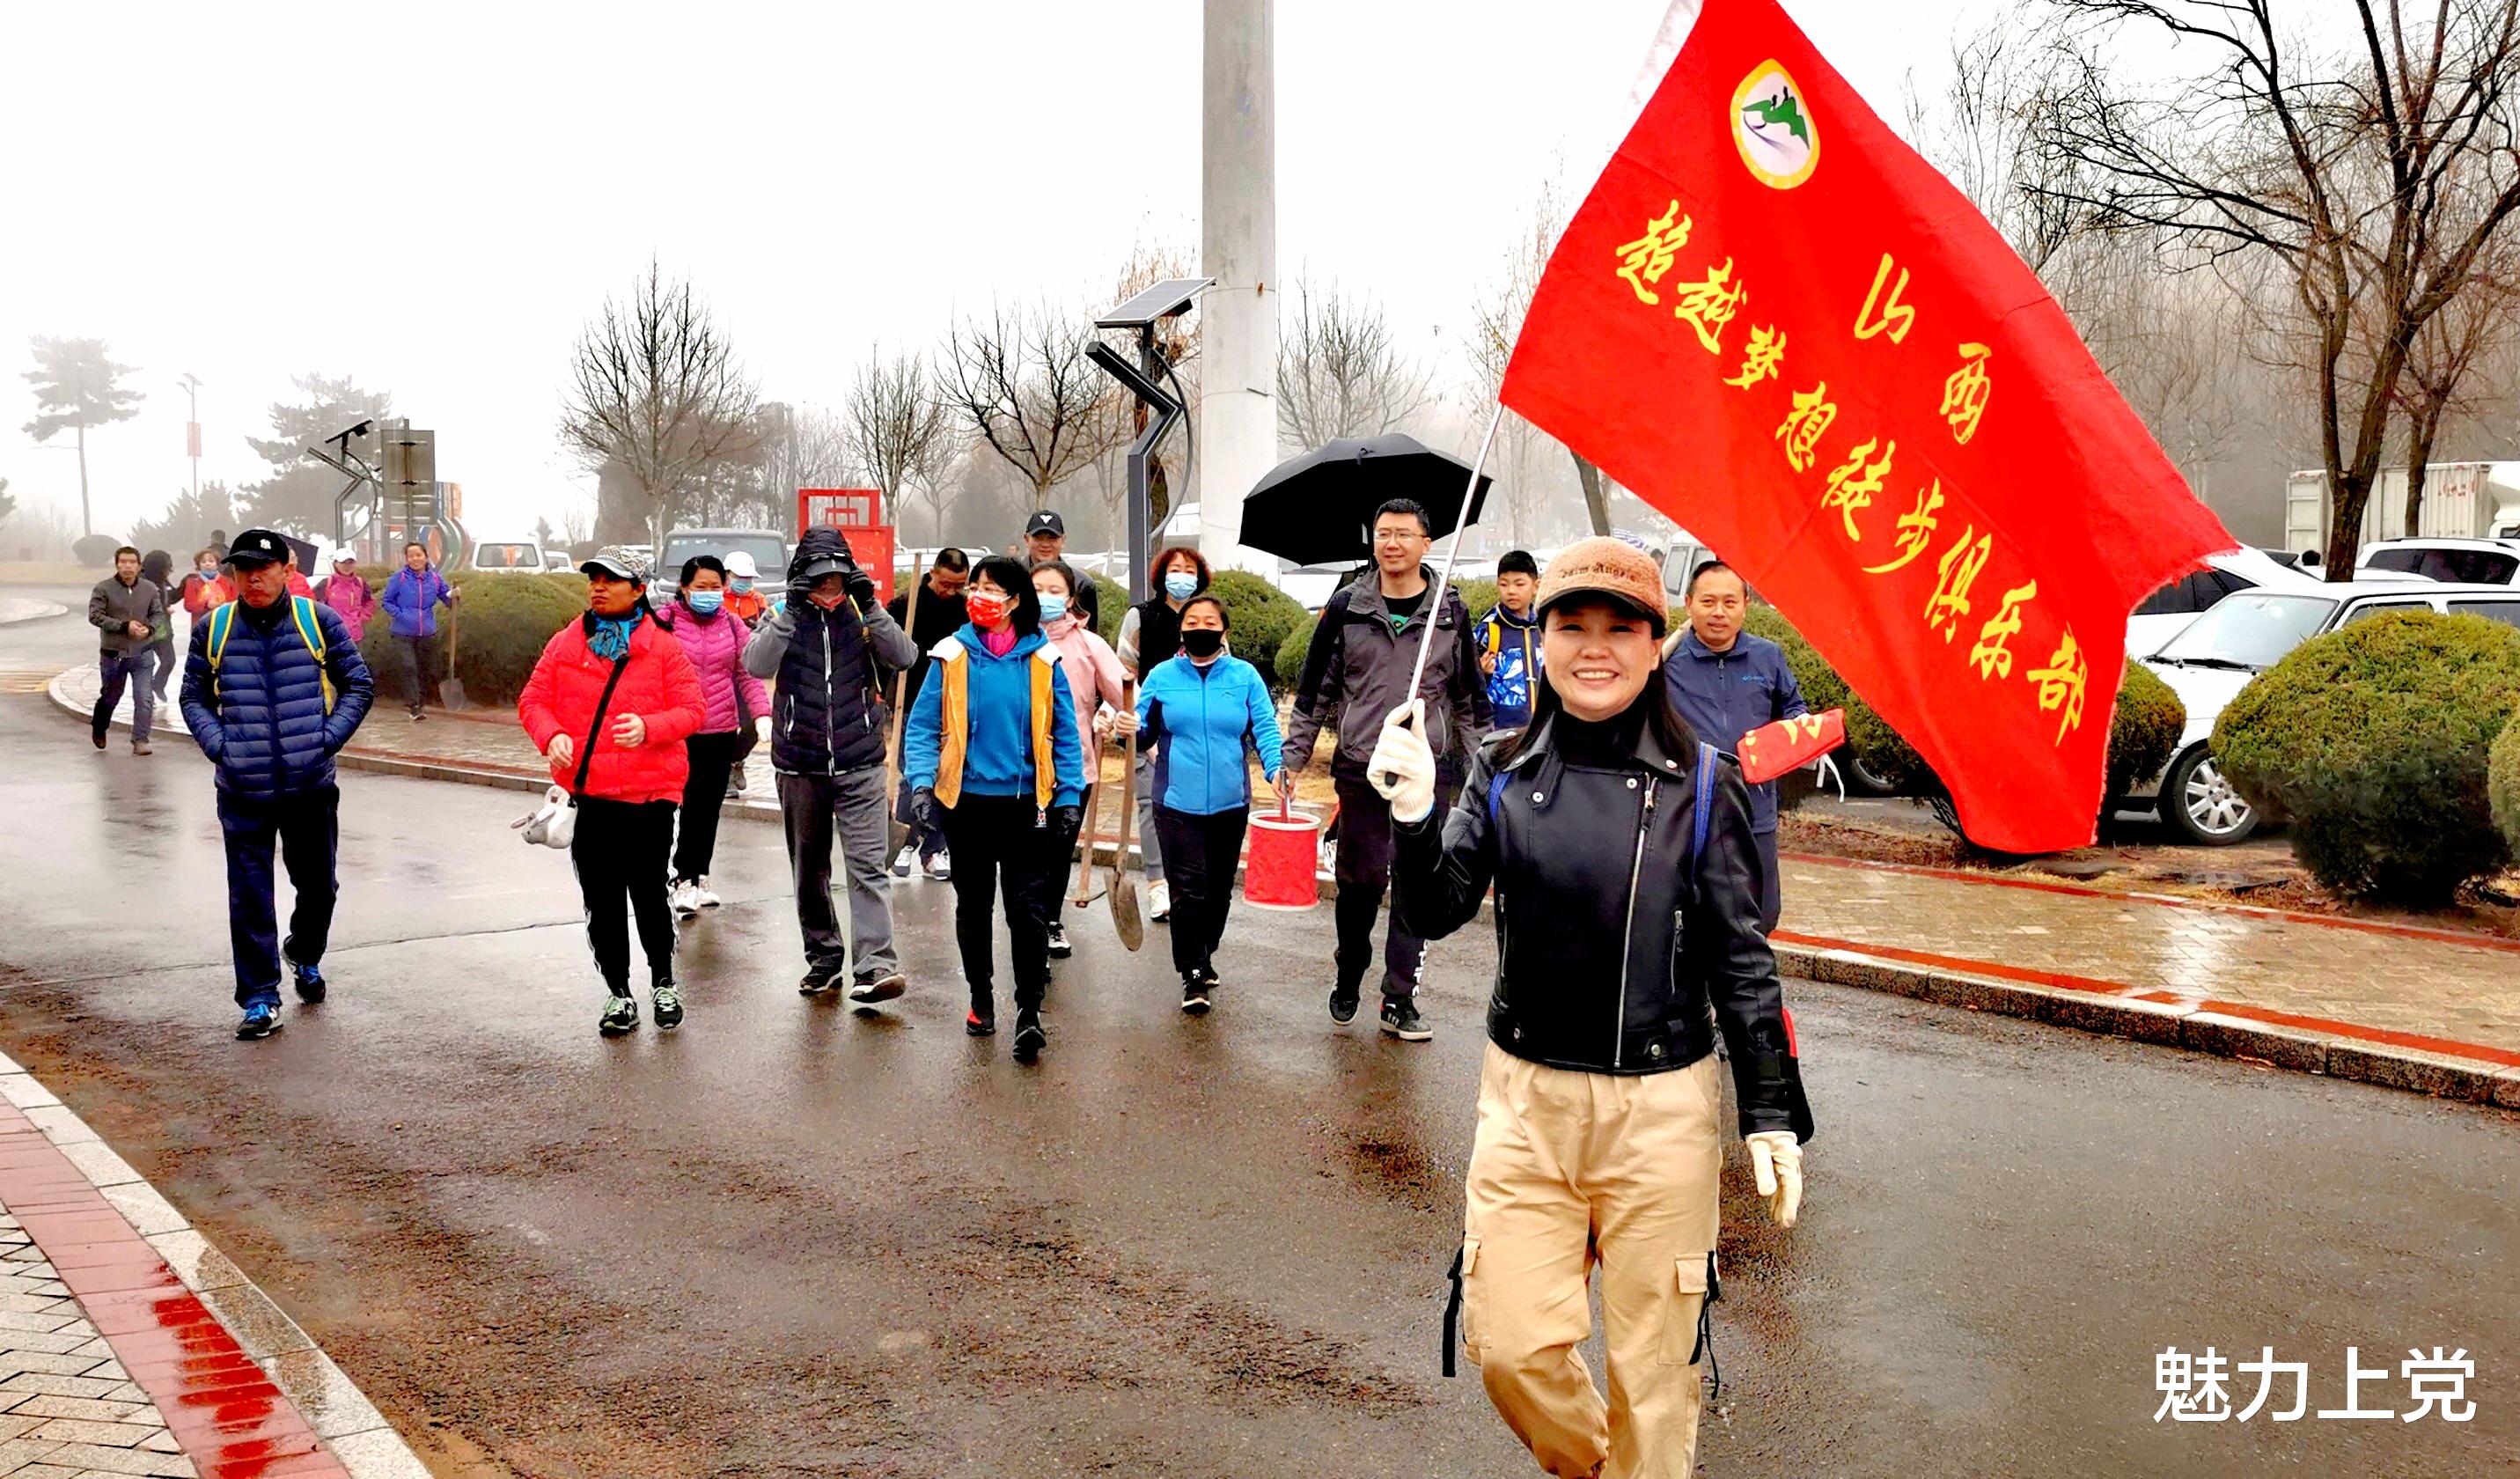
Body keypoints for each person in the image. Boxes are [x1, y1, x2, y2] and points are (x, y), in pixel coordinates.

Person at [1372, 537, 1811, 1478]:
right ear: (1543, 641)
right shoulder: (1499, 769)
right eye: (1572, 625)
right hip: (1525, 1103)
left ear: (1656, 646)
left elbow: (1741, 955)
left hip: (1661, 1108)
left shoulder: (1703, 782)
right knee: (1510, 1346)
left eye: (1621, 627)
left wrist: (1770, 1109)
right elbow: (1434, 908)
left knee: (1655, 1373)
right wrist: (1411, 819)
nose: (1595, 646)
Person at [1283, 499, 1490, 1041]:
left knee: (1417, 887)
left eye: (1403, 534)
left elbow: (1469, 698)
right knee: (1360, 882)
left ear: (1427, 543)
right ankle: (1350, 971)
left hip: (1428, 771)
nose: (1391, 543)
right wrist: (1293, 757)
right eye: (1382, 534)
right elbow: (1315, 690)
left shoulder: (1449, 611)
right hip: (1362, 768)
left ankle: (1398, 997)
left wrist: (1487, 768)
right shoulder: (1348, 607)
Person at [178, 528, 376, 1040]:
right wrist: (223, 747)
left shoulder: (317, 620)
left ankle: (304, 951)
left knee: (318, 886)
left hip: (309, 785)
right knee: (249, 894)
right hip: (242, 790)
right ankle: (261, 998)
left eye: (262, 569)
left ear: (287, 571)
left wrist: (325, 740)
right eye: (242, 570)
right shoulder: (215, 627)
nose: (252, 579)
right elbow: (194, 697)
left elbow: (359, 684)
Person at [902, 556, 1086, 1062]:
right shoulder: (951, 655)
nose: (980, 595)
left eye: (992, 588)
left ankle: (1029, 1011)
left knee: (1027, 912)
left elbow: (1065, 735)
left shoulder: (1043, 660)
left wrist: (1068, 796)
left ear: (1016, 600)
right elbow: (921, 729)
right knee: (974, 906)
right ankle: (981, 1000)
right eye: (976, 587)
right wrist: (921, 785)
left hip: (1028, 807)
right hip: (966, 805)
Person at [519, 555, 707, 1036]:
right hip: (590, 794)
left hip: (650, 795)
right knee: (601, 900)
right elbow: (533, 700)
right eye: (594, 580)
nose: (599, 588)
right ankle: (619, 994)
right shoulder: (567, 643)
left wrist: (649, 727)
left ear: (638, 588)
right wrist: (552, 734)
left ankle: (664, 982)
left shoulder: (663, 649)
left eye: (611, 581)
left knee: (648, 891)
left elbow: (693, 710)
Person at [745, 528, 919, 1006]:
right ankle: (823, 958)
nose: (829, 586)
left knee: (867, 867)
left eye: (837, 577)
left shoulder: (863, 613)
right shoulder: (781, 614)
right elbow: (756, 664)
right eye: (819, 578)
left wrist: (871, 604)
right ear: (802, 576)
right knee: (810, 870)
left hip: (860, 761)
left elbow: (905, 656)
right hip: (800, 765)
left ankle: (876, 966)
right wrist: (793, 609)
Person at [1129, 594, 1288, 1013]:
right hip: (1175, 803)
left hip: (1230, 802)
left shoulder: (1244, 676)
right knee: (1187, 891)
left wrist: (1276, 769)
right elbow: (1141, 734)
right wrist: (1126, 727)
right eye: (1193, 621)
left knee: (1218, 891)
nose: (1201, 627)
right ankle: (1193, 973)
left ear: (1224, 630)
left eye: (1210, 621)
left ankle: (1205, 951)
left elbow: (1265, 729)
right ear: (1182, 630)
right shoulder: (1162, 676)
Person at [1660, 560, 1807, 933]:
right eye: (1709, 602)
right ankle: (1696, 986)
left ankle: (1743, 981)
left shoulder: (1767, 656)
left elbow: (1794, 709)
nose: (1719, 612)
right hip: (1687, 808)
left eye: (1730, 602)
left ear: (1745, 604)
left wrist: (1795, 733)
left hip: (1753, 804)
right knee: (1691, 910)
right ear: (1689, 603)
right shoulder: (1665, 660)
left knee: (1762, 910)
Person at [659, 556, 769, 916]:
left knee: (708, 807)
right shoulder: (666, 622)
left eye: (714, 587)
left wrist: (761, 714)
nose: (709, 594)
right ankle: (679, 878)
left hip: (721, 729)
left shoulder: (734, 625)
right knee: (682, 805)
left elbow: (748, 673)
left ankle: (698, 876)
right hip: (677, 730)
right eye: (700, 587)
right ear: (684, 588)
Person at [1030, 559, 1126, 960]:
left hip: (1075, 769)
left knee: (1057, 848)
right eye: (1038, 589)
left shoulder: (1089, 645)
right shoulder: (1011, 639)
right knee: (1029, 850)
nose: (1046, 598)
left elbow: (1126, 693)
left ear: (1070, 599)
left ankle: (1050, 921)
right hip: (1021, 772)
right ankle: (1029, 922)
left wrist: (1114, 716)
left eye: (1055, 591)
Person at [1114, 544, 1212, 922]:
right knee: (1150, 807)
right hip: (1148, 726)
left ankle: (1185, 881)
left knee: (1189, 810)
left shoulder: (1206, 617)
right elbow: (1124, 673)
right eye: (1175, 569)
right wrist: (1142, 729)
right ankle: (1158, 885)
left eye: (1189, 569)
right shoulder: (1141, 617)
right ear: (1161, 575)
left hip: (1192, 731)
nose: (1182, 576)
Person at [885, 548, 970, 879]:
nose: (951, 591)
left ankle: (930, 848)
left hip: (951, 701)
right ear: (933, 573)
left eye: (959, 585)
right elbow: (885, 648)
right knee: (913, 775)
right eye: (946, 583)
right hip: (910, 698)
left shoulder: (964, 609)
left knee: (945, 776)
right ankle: (915, 843)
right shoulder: (905, 604)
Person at [87, 546, 166, 756]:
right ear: (117, 564)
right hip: (113, 654)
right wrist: (124, 626)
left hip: (143, 652)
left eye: (132, 562)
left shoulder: (150, 589)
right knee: (111, 695)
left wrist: (148, 628)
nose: (128, 566)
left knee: (144, 697)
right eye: (123, 562)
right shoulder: (103, 588)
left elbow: (159, 615)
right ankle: (99, 726)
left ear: (139, 566)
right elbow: (95, 616)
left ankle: (140, 739)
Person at [380, 541, 458, 722]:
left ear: (426, 557)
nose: (415, 559)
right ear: (406, 559)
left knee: (426, 669)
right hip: (402, 633)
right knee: (409, 667)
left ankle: (421, 702)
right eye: (411, 556)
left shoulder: (435, 579)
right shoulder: (399, 579)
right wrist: (402, 615)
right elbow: (387, 602)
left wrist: (455, 596)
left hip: (427, 632)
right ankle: (414, 706)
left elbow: (448, 599)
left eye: (419, 555)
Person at [1475, 550, 1544, 731]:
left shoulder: (1546, 627)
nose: (1511, 591)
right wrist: (1482, 673)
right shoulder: (1488, 630)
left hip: (1544, 727)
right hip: (1502, 729)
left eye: (1519, 584)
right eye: (1504, 585)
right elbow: (1466, 686)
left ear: (1536, 586)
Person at [1021, 510, 1098, 630]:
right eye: (1038, 538)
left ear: (1063, 540)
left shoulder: (1082, 583)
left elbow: (1090, 631)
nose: (1045, 544)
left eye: (1052, 538)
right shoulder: (1010, 578)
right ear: (1026, 540)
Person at [138, 550, 180, 703]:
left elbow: (172, 596)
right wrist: (163, 609)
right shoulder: (141, 582)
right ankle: (146, 697)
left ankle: (158, 685)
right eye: (167, 566)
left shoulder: (163, 580)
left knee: (169, 660)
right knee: (145, 666)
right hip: (145, 631)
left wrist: (186, 584)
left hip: (163, 631)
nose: (169, 569)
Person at [317, 551, 378, 643]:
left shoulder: (360, 583)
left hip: (355, 637)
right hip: (332, 636)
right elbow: (312, 604)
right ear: (335, 564)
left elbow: (369, 602)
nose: (347, 566)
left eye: (350, 562)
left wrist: (362, 617)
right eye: (343, 563)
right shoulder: (327, 583)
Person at [182, 548, 232, 620]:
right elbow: (188, 605)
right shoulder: (192, 582)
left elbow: (236, 603)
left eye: (211, 561)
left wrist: (221, 604)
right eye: (203, 562)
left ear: (217, 564)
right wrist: (206, 605)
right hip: (201, 623)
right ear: (199, 565)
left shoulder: (228, 582)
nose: (207, 564)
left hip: (224, 621)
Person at [722, 550, 770, 624]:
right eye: (739, 576)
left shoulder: (758, 599)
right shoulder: (716, 600)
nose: (744, 580)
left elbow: (766, 626)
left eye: (748, 577)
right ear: (726, 574)